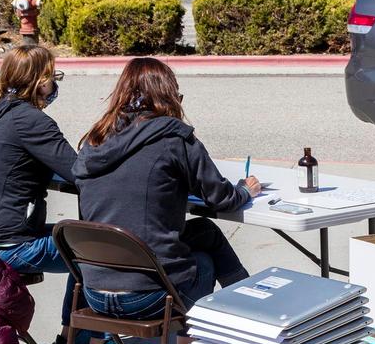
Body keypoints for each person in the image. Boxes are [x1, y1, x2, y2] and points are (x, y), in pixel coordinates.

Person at [0, 45, 149, 344]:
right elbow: (78, 171)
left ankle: (71, 338)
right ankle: (98, 343)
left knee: (82, 242)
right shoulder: (30, 121)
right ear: (39, 81)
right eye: (54, 76)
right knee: (98, 252)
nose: (55, 84)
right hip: (13, 241)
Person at [73, 58, 260, 328]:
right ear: (168, 96)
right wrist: (245, 190)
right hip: (149, 296)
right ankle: (244, 317)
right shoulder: (175, 139)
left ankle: (248, 308)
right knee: (204, 262)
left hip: (94, 292)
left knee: (205, 232)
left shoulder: (95, 141)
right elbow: (221, 198)